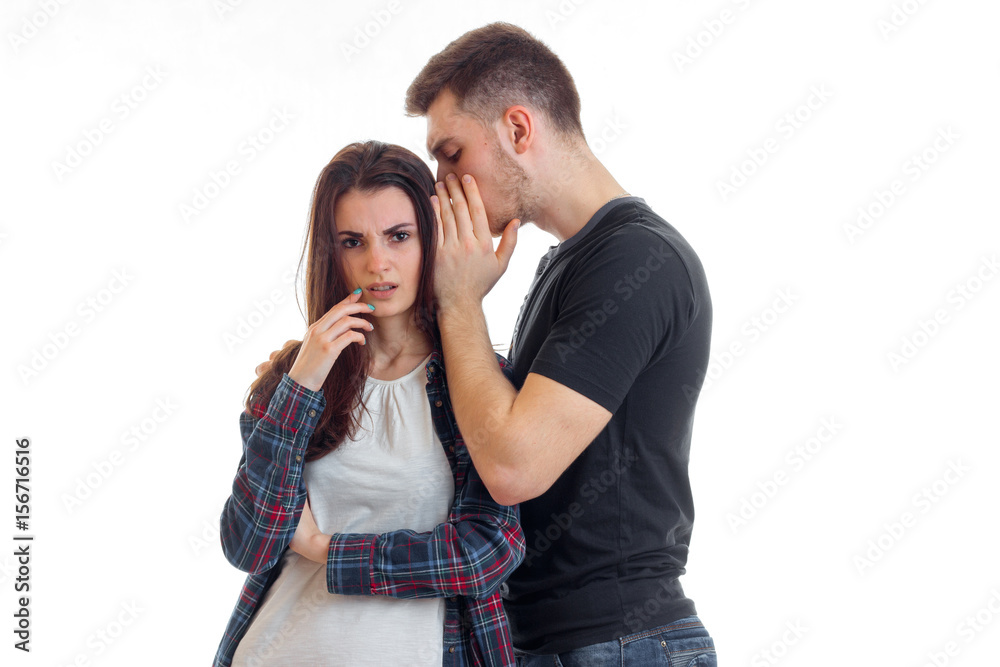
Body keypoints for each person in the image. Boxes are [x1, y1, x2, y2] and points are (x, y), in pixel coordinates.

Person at [404, 22, 718, 665]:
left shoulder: (640, 258)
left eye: (452, 153)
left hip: (624, 645)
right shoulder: (566, 265)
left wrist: (460, 300)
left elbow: (513, 465)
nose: (441, 185)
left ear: (518, 130)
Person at [213, 140, 525, 667]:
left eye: (398, 236)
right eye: (352, 241)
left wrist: (326, 550)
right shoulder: (296, 380)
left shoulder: (473, 383)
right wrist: (303, 381)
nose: (377, 263)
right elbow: (249, 545)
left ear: (431, 238)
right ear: (330, 253)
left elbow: (487, 552)